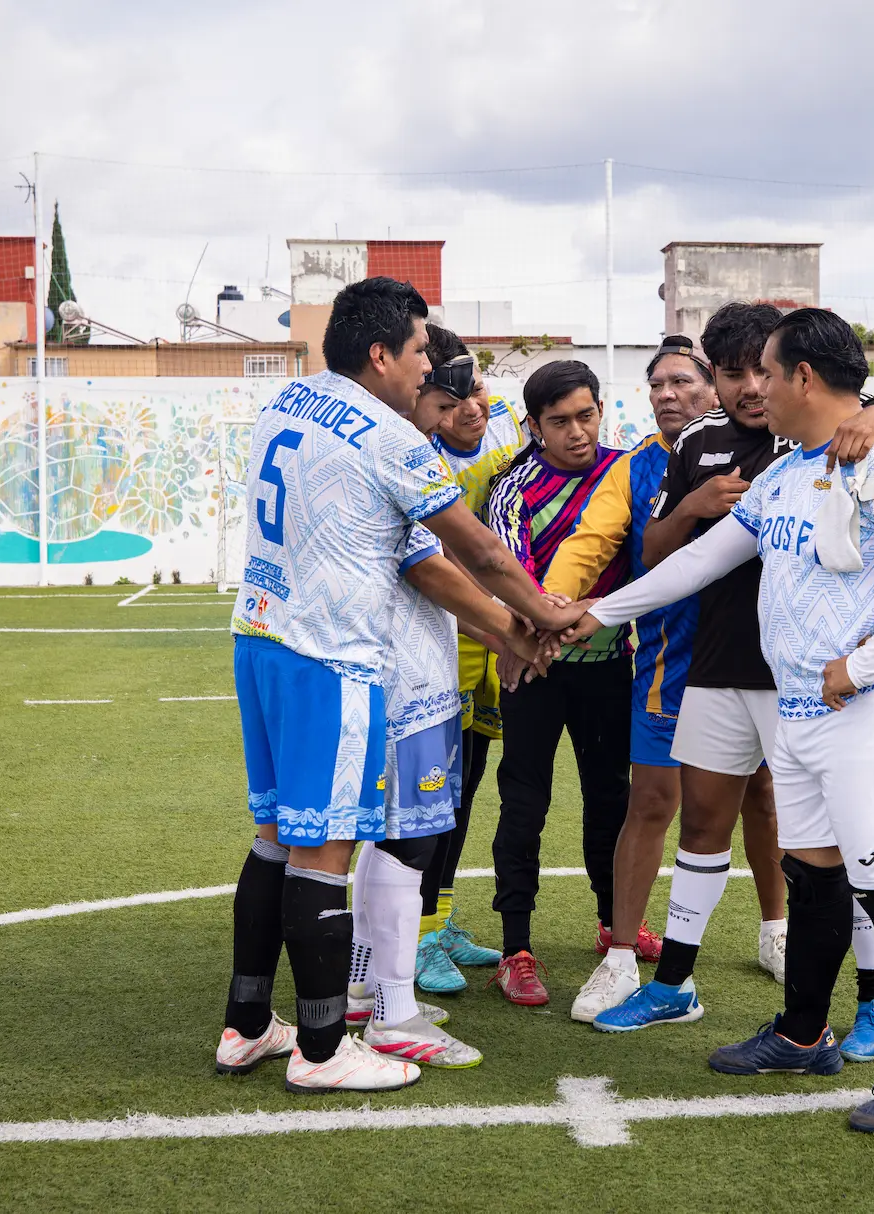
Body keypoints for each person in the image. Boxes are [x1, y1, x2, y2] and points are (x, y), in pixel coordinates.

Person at [562, 307, 874, 1132]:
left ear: (806, 380)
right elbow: (701, 559)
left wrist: (859, 666)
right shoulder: (790, 471)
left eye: (768, 371)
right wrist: (598, 612)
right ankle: (801, 1032)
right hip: (805, 711)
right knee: (815, 877)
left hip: (868, 707)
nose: (753, 387)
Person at [213, 277, 575, 1093]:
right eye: (418, 351)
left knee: (275, 837)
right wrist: (541, 617)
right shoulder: (392, 438)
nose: (427, 369)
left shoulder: (290, 400)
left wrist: (504, 627)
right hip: (331, 659)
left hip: (260, 640)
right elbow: (477, 553)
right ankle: (320, 1050)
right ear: (380, 354)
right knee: (323, 855)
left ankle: (245, 1026)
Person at [542, 335, 782, 1024]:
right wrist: (550, 612)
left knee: (763, 796)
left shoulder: (787, 442)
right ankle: (621, 959)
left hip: (761, 656)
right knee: (653, 801)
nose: (669, 395)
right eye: (657, 385)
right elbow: (601, 543)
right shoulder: (641, 464)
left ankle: (777, 932)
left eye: (684, 381)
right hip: (670, 660)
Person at [344, 332, 509, 1070]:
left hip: (384, 667)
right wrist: (521, 625)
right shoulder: (398, 450)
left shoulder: (353, 433)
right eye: (439, 399)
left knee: (386, 837)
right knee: (407, 841)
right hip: (403, 676)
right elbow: (446, 567)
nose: (446, 413)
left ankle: (362, 988)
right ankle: (393, 1011)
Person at [482, 359, 633, 1007]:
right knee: (525, 806)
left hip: (609, 670)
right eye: (559, 422)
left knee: (612, 802)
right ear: (533, 426)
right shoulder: (513, 489)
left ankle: (614, 926)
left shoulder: (629, 471)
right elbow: (513, 581)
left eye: (586, 416)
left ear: (602, 410)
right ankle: (516, 947)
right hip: (535, 672)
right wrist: (544, 629)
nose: (576, 432)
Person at [412, 329, 523, 993]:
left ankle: (442, 919)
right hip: (442, 639)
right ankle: (417, 935)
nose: (471, 409)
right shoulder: (414, 454)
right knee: (432, 793)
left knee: (469, 784)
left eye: (475, 389)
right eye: (450, 402)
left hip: (493, 640)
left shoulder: (509, 424)